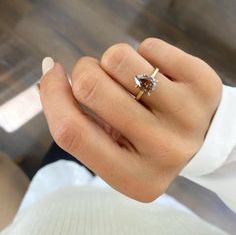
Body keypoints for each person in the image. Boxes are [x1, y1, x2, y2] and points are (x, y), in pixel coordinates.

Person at [1, 38, 236, 234]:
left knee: (69, 144)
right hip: (142, 214)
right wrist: (219, 140)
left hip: (46, 209)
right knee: (79, 138)